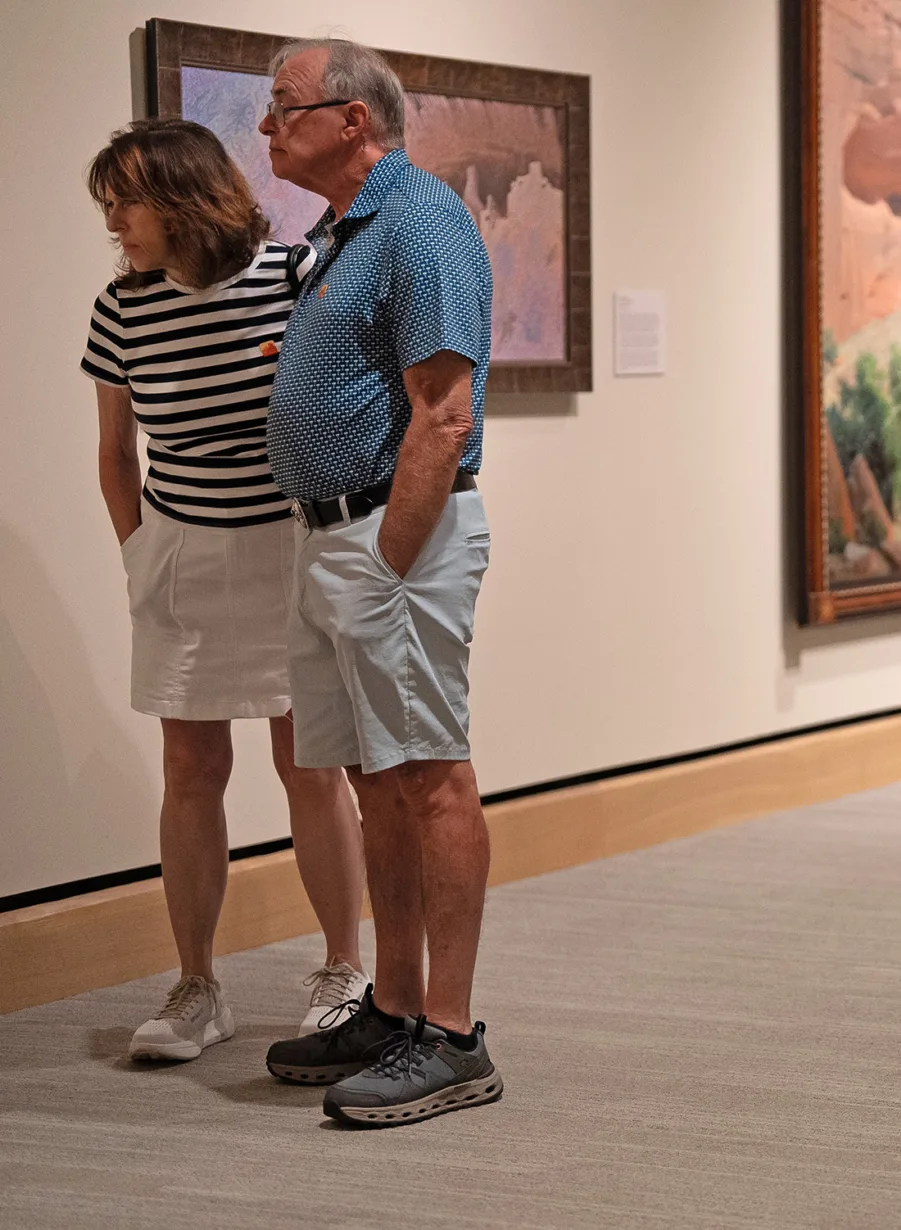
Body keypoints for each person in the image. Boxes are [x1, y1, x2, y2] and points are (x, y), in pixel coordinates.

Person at [251, 39, 502, 1127]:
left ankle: (449, 1034)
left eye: (282, 109)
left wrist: (386, 568)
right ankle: (392, 1004)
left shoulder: (419, 220)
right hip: (335, 537)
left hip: (391, 541)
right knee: (369, 774)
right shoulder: (343, 229)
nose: (266, 129)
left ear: (352, 121)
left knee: (428, 775)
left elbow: (442, 411)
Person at [80, 119, 369, 1063]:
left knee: (310, 765)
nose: (114, 222)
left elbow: (357, 400)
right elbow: (115, 457)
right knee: (190, 771)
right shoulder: (122, 311)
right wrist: (139, 559)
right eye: (108, 204)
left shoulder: (293, 275)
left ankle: (343, 971)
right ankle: (200, 987)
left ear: (179, 197)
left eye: (125, 201)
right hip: (181, 553)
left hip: (291, 547)